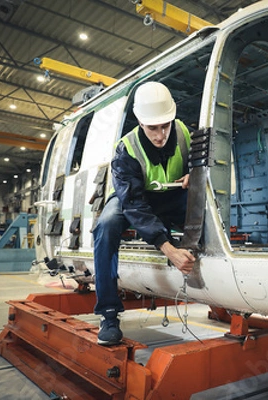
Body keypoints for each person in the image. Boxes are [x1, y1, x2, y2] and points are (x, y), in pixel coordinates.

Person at [93, 81, 196, 346]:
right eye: (153, 128)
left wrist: (193, 174)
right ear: (140, 122)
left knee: (202, 203)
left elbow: (202, 162)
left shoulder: (185, 132)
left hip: (171, 196)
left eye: (165, 125)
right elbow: (134, 205)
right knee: (106, 225)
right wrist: (169, 250)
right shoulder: (125, 150)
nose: (160, 135)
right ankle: (108, 313)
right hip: (134, 199)